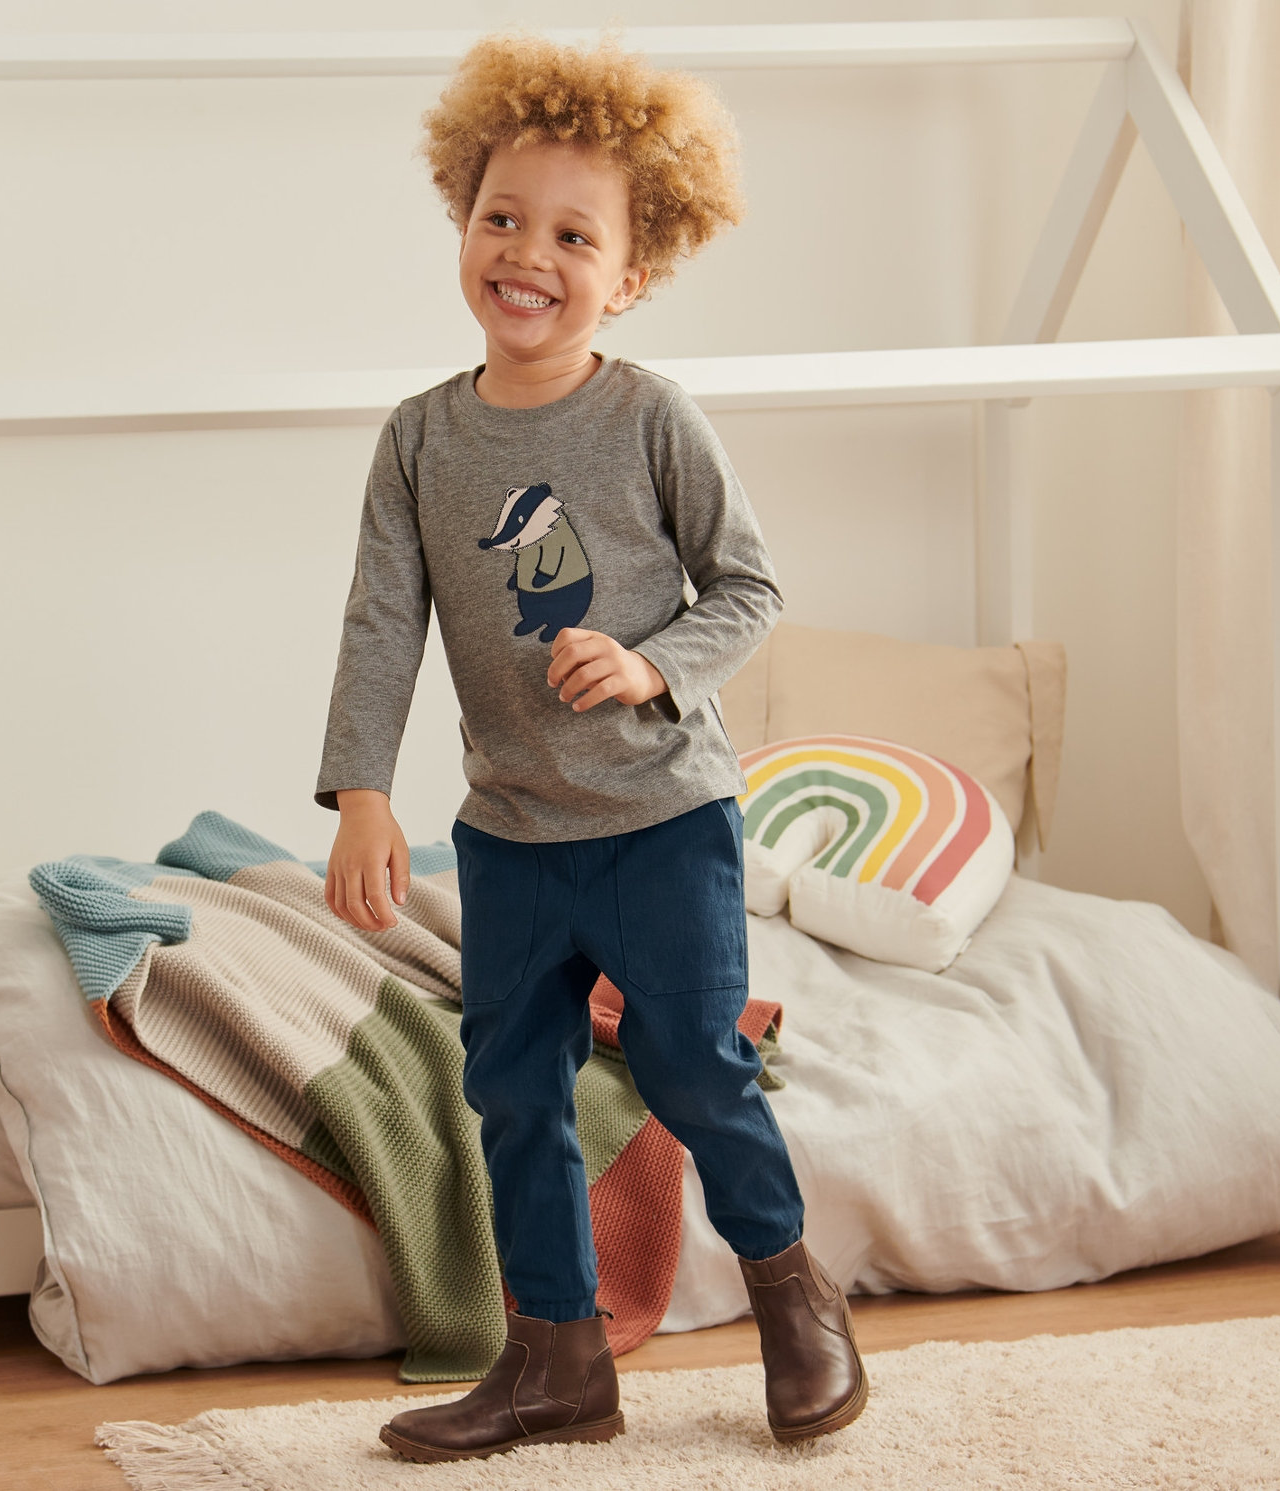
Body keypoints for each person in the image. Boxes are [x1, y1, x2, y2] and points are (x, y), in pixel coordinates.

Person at [314, 31, 867, 1462]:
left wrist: (647, 663)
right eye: (502, 217)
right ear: (463, 222)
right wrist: (363, 795)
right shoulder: (421, 440)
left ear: (626, 274)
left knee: (690, 1063)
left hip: (660, 821)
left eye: (572, 234)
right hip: (509, 838)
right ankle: (555, 1359)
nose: (528, 253)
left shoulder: (647, 417)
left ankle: (793, 1301)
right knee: (508, 1090)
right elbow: (384, 624)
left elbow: (747, 587)